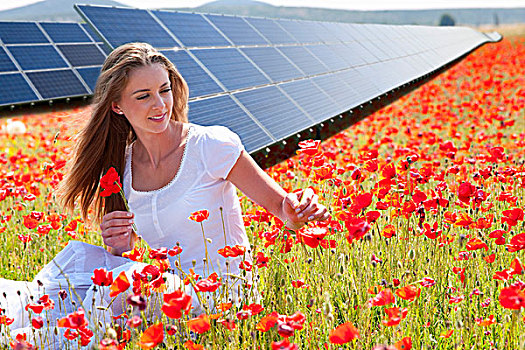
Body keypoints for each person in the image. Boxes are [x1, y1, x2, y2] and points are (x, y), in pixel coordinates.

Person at [1, 42, 329, 347]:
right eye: (143, 96)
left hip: (226, 293)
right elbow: (125, 255)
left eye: (164, 90)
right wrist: (119, 245)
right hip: (166, 289)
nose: (160, 105)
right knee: (69, 285)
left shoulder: (211, 145)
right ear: (117, 105)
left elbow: (280, 205)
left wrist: (300, 210)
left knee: (116, 289)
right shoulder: (122, 169)